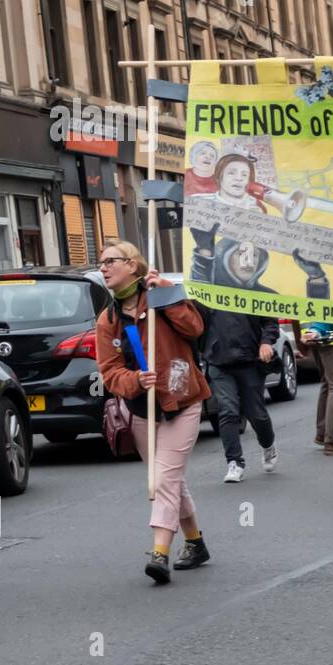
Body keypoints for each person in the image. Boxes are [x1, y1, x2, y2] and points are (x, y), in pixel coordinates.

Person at [95, 242, 212, 584]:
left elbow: (195, 329)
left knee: (163, 479)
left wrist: (171, 294)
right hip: (141, 409)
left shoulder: (161, 298)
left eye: (110, 261)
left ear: (133, 265)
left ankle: (159, 552)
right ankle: (195, 541)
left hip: (182, 399)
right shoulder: (108, 319)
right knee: (171, 479)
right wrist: (134, 379)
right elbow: (110, 371)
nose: (103, 268)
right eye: (100, 263)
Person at [200, 283, 279, 484]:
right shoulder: (207, 289)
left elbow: (270, 321)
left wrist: (266, 342)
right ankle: (234, 462)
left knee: (257, 414)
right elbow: (194, 322)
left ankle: (268, 445)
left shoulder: (255, 289)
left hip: (250, 361)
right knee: (227, 410)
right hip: (219, 361)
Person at [302, 321, 333, 454]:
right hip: (331, 338)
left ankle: (322, 433)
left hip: (312, 336)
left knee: (327, 382)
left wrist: (300, 340)